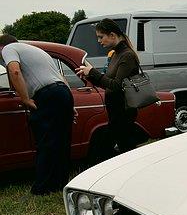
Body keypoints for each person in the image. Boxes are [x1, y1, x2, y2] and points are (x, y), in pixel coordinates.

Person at [0, 34, 74, 194]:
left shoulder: (8, 48)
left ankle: (43, 187)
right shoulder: (37, 51)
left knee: (46, 141)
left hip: (46, 94)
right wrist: (70, 104)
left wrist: (25, 98)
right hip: (63, 92)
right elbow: (61, 77)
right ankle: (60, 182)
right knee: (61, 141)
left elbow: (14, 71)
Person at [76, 18, 140, 155]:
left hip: (123, 114)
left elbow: (116, 85)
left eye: (101, 37)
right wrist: (89, 75)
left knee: (120, 151)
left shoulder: (127, 55)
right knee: (122, 152)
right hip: (115, 113)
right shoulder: (116, 54)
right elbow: (107, 84)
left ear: (112, 35)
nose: (99, 41)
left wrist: (93, 72)